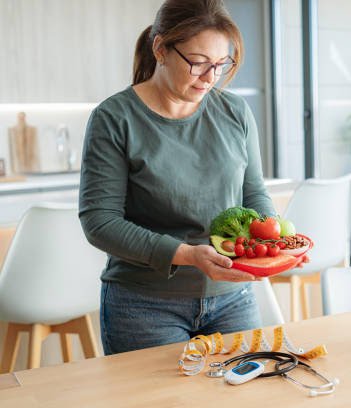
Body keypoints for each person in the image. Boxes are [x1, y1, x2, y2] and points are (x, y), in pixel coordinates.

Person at [79, 0, 279, 355]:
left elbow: (254, 193)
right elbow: (99, 221)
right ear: (160, 49)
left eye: (221, 64)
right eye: (199, 63)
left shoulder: (235, 112)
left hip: (234, 297)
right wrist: (187, 254)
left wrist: (272, 240)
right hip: (145, 305)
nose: (210, 77)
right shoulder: (114, 118)